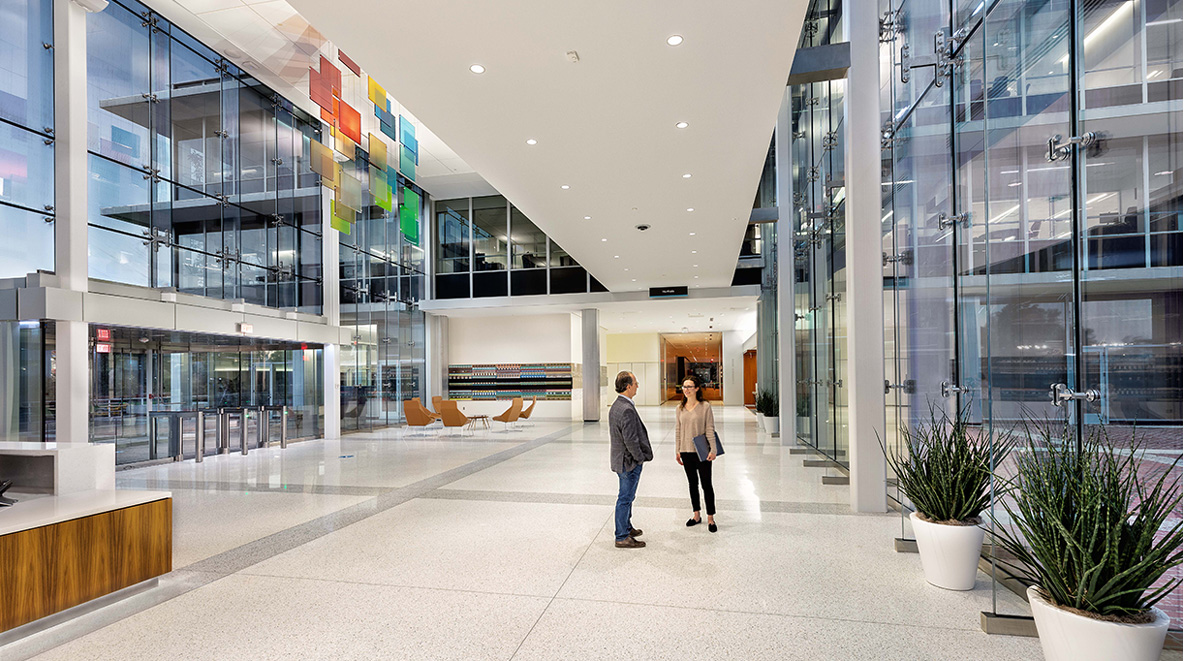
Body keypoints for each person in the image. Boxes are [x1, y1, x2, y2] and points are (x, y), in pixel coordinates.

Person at [609, 371, 652, 548]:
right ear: (628, 386)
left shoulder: (617, 405)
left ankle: (626, 526)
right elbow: (630, 440)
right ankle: (621, 536)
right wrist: (639, 458)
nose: (637, 386)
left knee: (627, 497)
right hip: (628, 462)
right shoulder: (626, 409)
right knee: (625, 498)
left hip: (621, 460)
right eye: (635, 383)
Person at [675, 374, 718, 532]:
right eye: (684, 386)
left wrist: (713, 449)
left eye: (689, 387)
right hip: (686, 451)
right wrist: (677, 450)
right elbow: (678, 431)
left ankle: (711, 518)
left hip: (702, 451)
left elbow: (709, 428)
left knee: (707, 484)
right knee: (692, 484)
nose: (686, 390)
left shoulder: (705, 406)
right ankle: (696, 515)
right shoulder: (679, 408)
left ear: (697, 388)